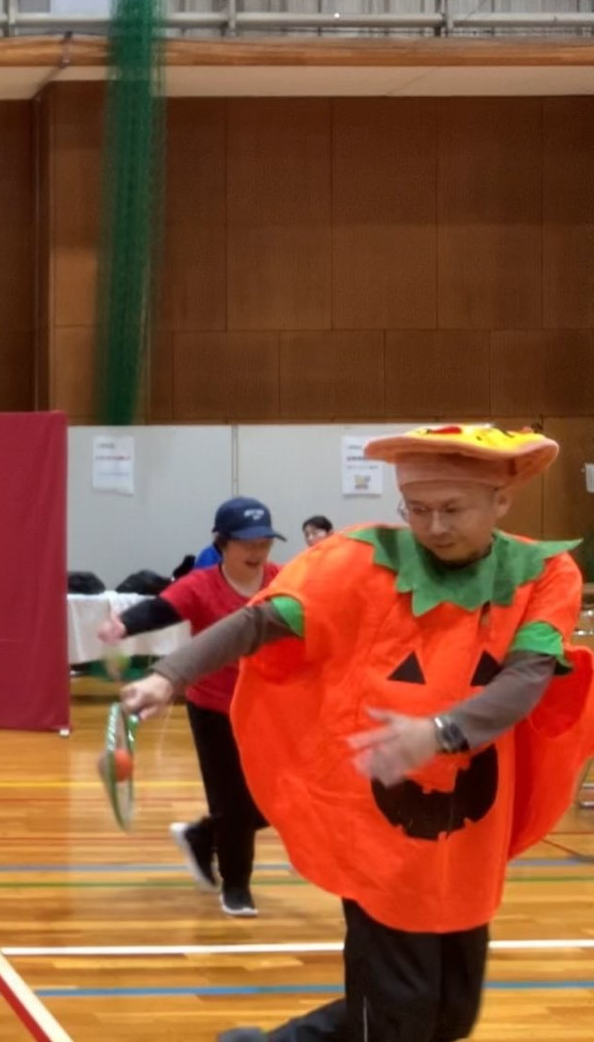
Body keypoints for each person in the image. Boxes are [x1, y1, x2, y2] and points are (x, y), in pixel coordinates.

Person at [121, 425, 594, 1042]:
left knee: (448, 1015)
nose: (434, 526)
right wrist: (171, 675)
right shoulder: (361, 560)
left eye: (452, 509)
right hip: (379, 816)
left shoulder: (545, 573)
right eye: (416, 509)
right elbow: (261, 622)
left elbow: (527, 677)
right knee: (398, 1017)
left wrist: (441, 732)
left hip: (472, 829)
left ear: (501, 500)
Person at [99, 496, 281, 917]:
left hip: (268, 709)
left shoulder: (283, 580)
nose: (257, 551)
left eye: (264, 542)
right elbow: (160, 608)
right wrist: (122, 625)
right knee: (233, 803)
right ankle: (236, 887)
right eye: (247, 543)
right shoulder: (201, 585)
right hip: (214, 709)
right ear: (222, 543)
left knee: (280, 799)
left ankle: (202, 837)